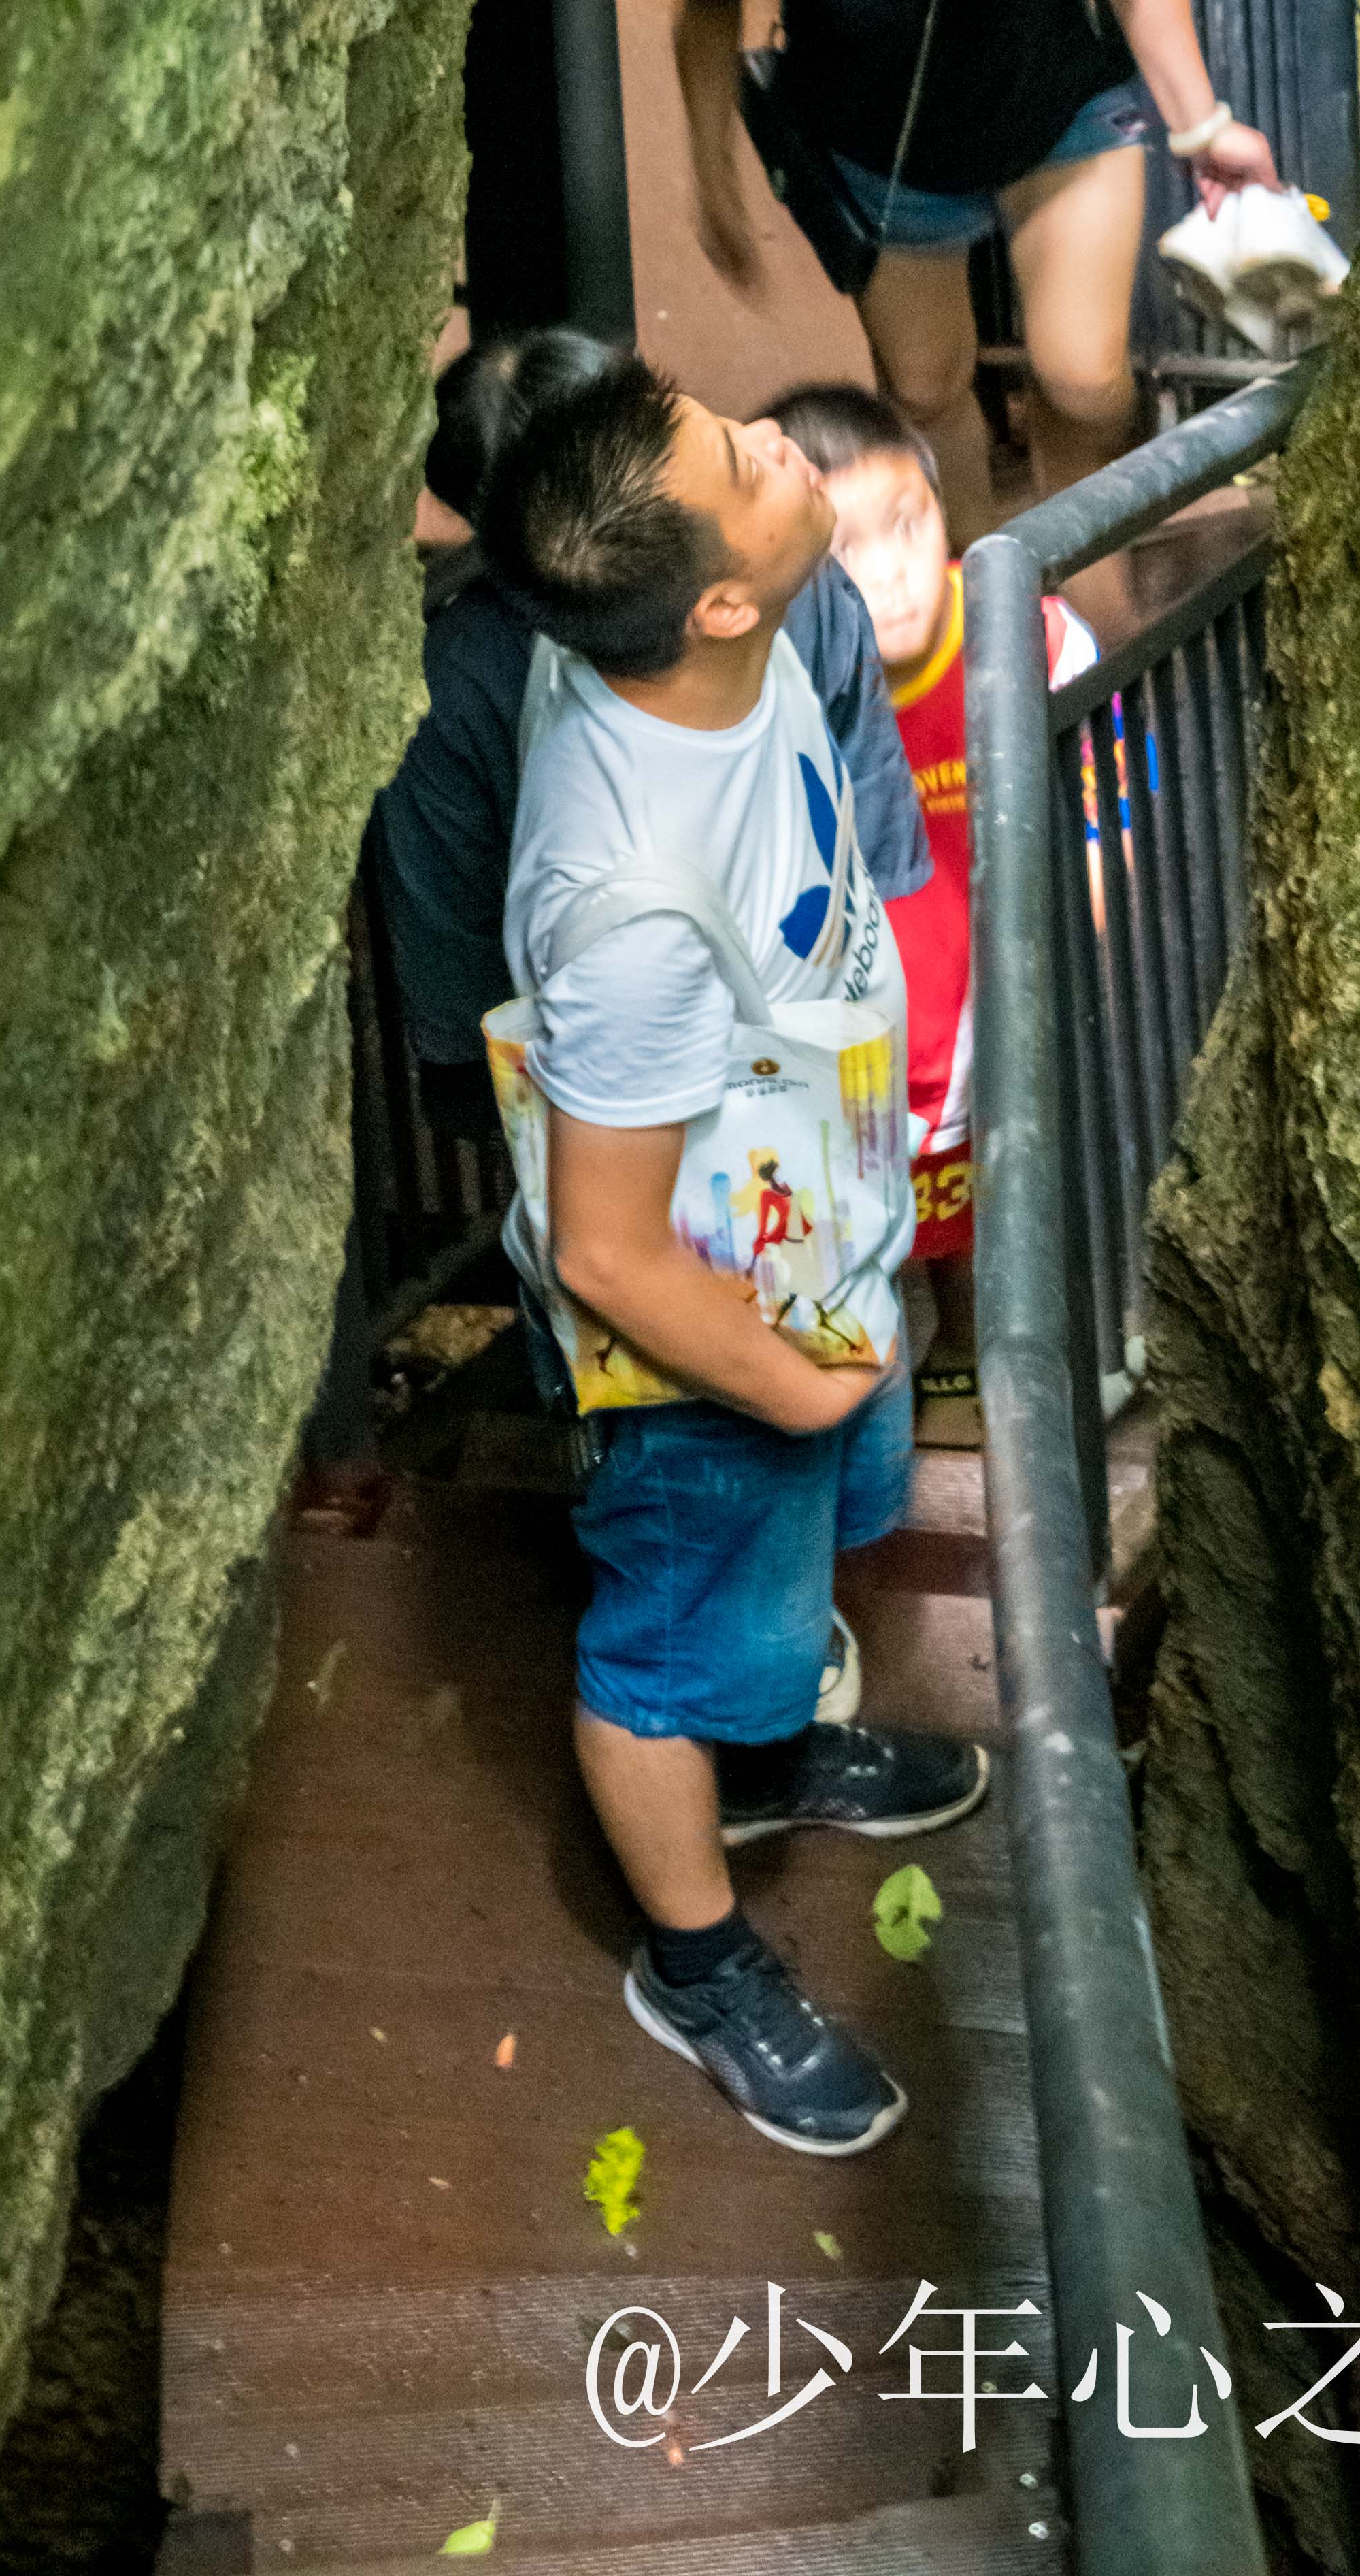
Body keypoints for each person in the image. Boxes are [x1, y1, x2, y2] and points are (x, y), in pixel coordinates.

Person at [476, 342, 986, 2159]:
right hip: (705, 1322)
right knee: (670, 1638)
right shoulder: (625, 903)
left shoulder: (710, 645)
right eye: (748, 466)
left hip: (808, 1206)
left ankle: (771, 1754)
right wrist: (786, 1380)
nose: (783, 443)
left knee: (795, 1566)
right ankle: (695, 1958)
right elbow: (610, 1251)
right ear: (705, 596)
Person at [675, 0, 1278, 531]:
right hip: (882, 147)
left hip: (1056, 110)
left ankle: (1092, 592)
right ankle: (986, 617)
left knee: (1084, 376)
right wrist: (712, 170)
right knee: (923, 389)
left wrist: (1207, 126)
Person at [374, 329, 929, 1094]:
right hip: (769, 1119)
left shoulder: (452, 679)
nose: (771, 433)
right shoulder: (783, 583)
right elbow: (882, 855)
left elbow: (459, 1008)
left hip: (653, 1105)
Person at [769, 380, 1093, 1350]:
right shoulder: (777, 678)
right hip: (855, 1025)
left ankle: (972, 1354)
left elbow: (1109, 799)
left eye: (908, 525)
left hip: (995, 1002)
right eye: (844, 553)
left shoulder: (1028, 640)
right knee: (865, 1213)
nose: (892, 574)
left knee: (994, 1206)